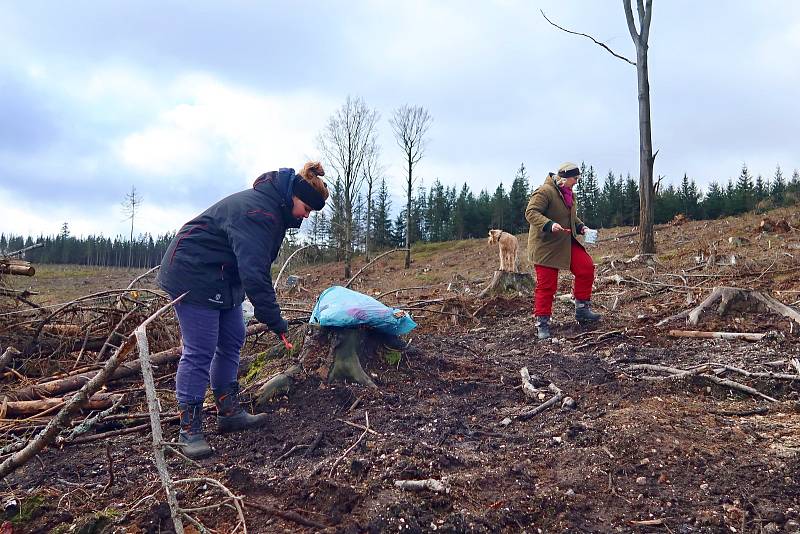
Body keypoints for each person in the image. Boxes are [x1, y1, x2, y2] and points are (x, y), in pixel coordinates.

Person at [157, 162, 328, 458]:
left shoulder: (272, 209)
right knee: (201, 348)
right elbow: (254, 272)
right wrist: (275, 320)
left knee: (234, 335)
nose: (306, 215)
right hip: (192, 271)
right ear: (293, 198)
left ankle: (228, 410)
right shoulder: (259, 213)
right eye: (306, 208)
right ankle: (189, 429)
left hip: (222, 274)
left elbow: (249, 265)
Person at [525, 162, 600, 340]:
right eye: (575, 178)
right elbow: (531, 212)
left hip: (566, 242)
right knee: (547, 285)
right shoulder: (544, 191)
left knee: (586, 267)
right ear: (565, 178)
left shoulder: (569, 195)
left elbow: (572, 218)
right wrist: (549, 225)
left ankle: (582, 310)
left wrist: (582, 228)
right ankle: (542, 323)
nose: (577, 182)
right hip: (546, 246)